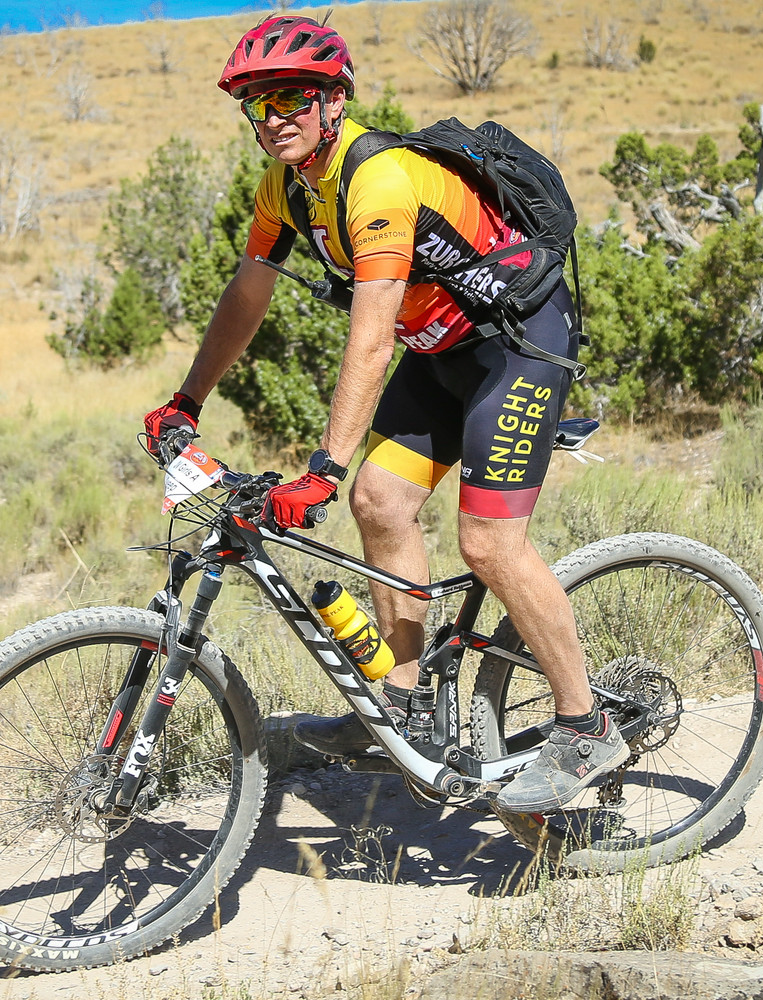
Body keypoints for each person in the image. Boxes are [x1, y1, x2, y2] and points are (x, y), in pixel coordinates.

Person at [143, 15, 624, 812]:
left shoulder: (380, 181)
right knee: (380, 502)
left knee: (488, 542)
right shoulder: (285, 188)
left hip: (518, 345)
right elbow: (248, 294)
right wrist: (185, 399)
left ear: (334, 100)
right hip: (442, 348)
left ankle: (587, 725)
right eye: (259, 105)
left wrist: (323, 469)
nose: (274, 118)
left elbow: (370, 340)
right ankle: (405, 704)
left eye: (292, 98)